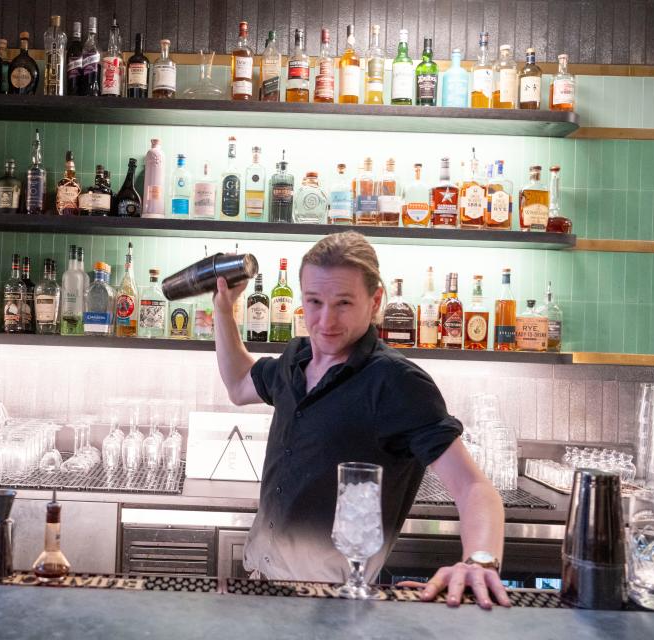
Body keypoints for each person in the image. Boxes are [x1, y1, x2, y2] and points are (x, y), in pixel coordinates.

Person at [212, 231, 510, 609]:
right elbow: (239, 384)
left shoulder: (397, 383)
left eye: (343, 303)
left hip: (332, 606)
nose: (325, 320)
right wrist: (224, 310)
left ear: (375, 301)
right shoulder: (295, 360)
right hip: (256, 589)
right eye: (314, 301)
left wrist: (480, 560)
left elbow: (473, 487)